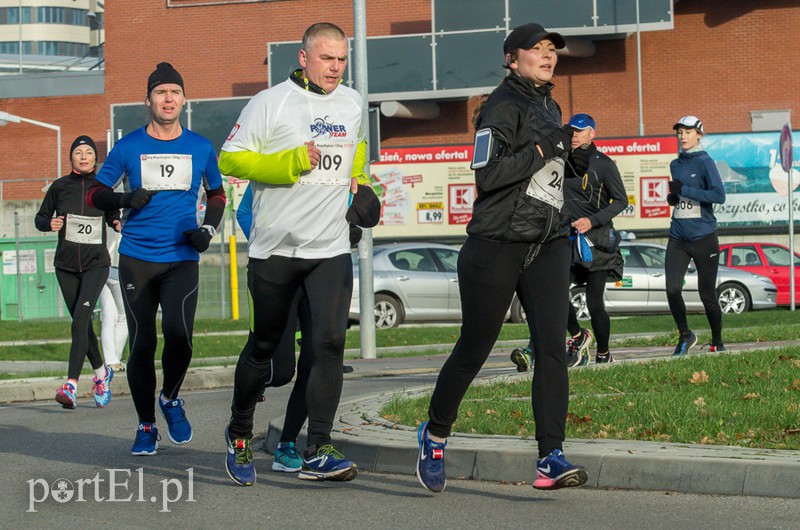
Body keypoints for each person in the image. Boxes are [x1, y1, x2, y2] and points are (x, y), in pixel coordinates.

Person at [415, 22, 592, 494]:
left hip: (547, 241)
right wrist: (543, 148)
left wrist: (575, 157)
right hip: (497, 243)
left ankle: (550, 456)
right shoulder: (501, 106)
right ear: (512, 59)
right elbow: (488, 176)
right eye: (537, 49)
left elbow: (548, 175)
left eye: (552, 49)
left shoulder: (549, 104)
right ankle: (434, 435)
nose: (548, 56)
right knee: (475, 347)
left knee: (553, 347)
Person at [219, 22, 377, 486]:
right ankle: (240, 428)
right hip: (275, 249)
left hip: (329, 248)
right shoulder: (271, 102)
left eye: (342, 59)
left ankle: (318, 446)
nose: (335, 67)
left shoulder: (351, 103)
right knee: (266, 348)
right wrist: (285, 164)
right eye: (326, 58)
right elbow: (231, 157)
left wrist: (362, 184)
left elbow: (357, 148)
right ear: (304, 57)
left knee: (328, 345)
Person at [86, 62, 226, 455]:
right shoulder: (128, 146)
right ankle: (146, 425)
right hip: (137, 258)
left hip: (182, 256)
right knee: (143, 343)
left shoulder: (200, 146)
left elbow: (216, 195)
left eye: (175, 92)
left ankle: (171, 398)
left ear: (184, 99)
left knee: (180, 336)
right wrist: (125, 199)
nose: (168, 99)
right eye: (161, 93)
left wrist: (207, 231)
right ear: (148, 101)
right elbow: (96, 193)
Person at [35, 135, 117, 409]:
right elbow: (40, 218)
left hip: (96, 264)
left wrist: (116, 222)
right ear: (71, 158)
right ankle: (101, 374)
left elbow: (112, 214)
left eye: (89, 152)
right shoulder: (59, 187)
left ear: (95, 158)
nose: (84, 156)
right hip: (66, 267)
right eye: (78, 152)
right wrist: (51, 223)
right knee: (82, 324)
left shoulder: (102, 187)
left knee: (79, 320)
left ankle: (70, 384)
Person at [562, 113, 628, 366]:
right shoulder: (562, 160)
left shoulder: (603, 164)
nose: (575, 135)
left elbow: (621, 200)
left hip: (597, 243)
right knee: (556, 294)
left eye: (581, 131)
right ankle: (578, 337)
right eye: (572, 131)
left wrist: (593, 221)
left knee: (594, 302)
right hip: (566, 242)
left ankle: (604, 353)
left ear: (593, 133)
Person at [666, 115, 726, 355]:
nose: (683, 136)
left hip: (704, 237)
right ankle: (685, 335)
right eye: (680, 132)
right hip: (678, 236)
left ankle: (717, 341)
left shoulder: (706, 162)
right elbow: (682, 197)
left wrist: (686, 191)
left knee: (707, 295)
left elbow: (719, 196)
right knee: (672, 289)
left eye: (688, 132)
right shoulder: (675, 164)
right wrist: (674, 198)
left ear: (699, 134)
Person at [99, 226, 128, 373]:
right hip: (119, 266)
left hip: (100, 266)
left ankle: (110, 360)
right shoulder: (129, 210)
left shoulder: (105, 208)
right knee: (124, 317)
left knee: (109, 316)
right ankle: (115, 358)